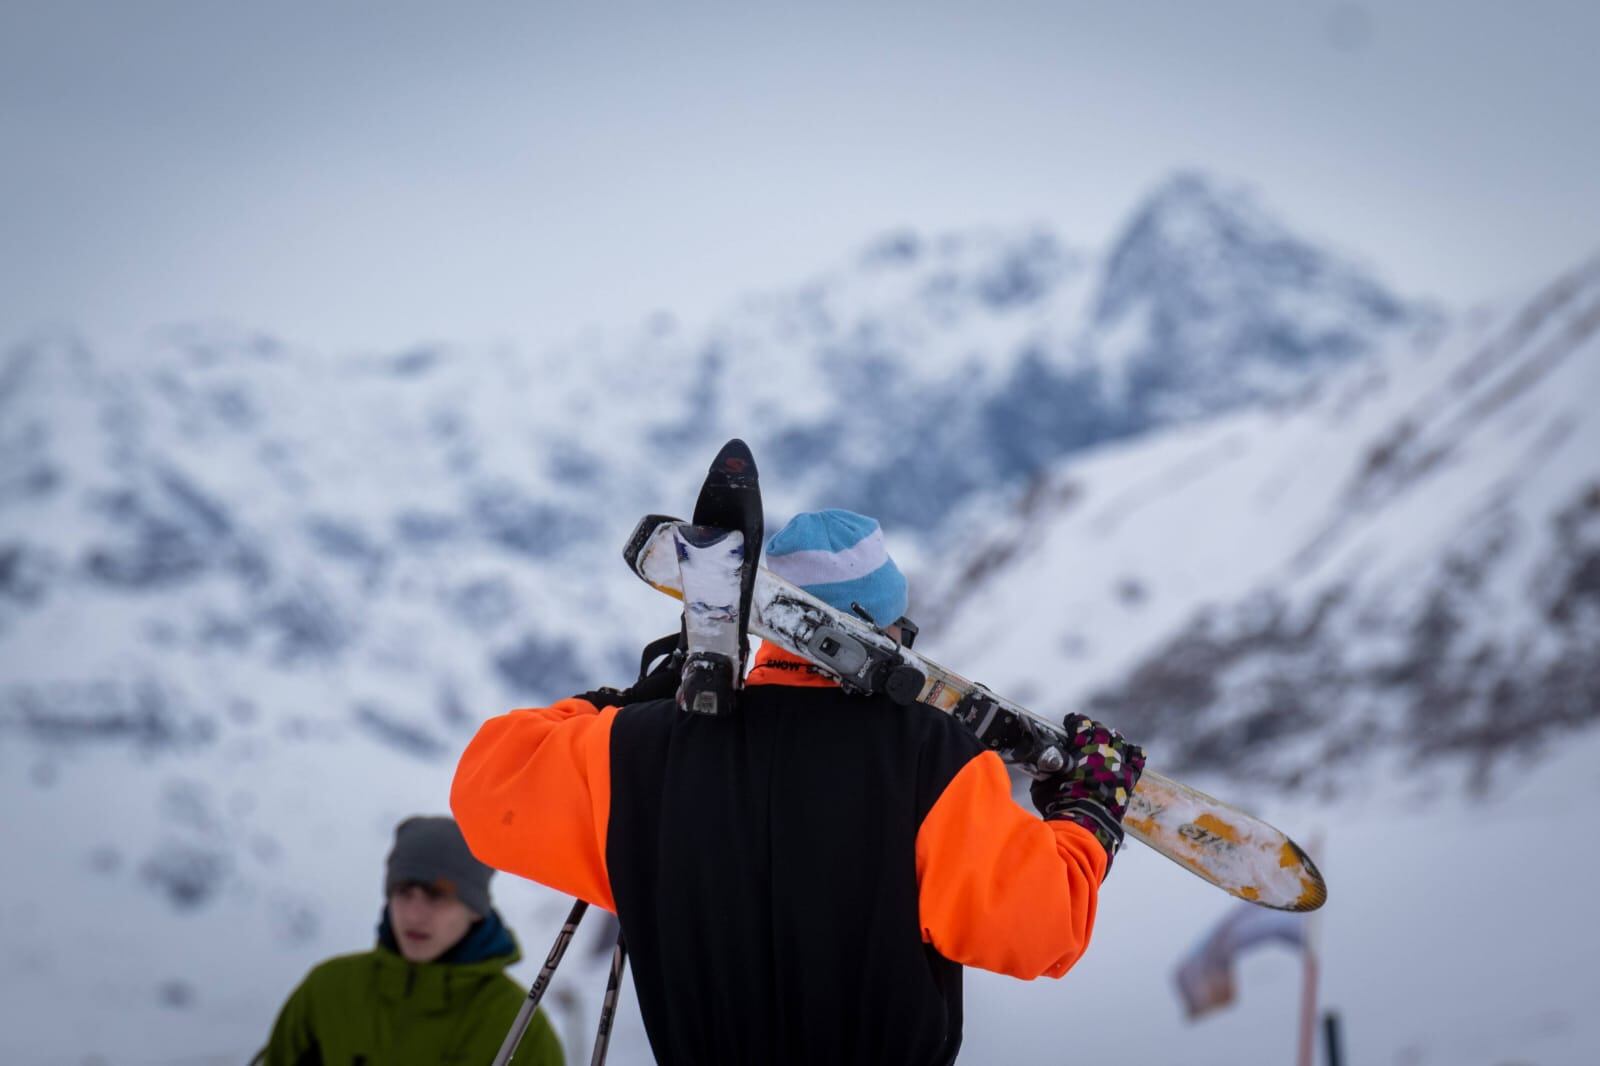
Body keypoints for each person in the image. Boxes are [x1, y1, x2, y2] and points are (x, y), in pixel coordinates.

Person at [451, 509, 1144, 1065]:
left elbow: (488, 788)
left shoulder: (638, 751)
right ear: (889, 632)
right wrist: (1090, 813)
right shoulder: (928, 760)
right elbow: (1038, 930)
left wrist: (616, 704)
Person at [254, 815, 564, 1066]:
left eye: (437, 896)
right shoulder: (327, 992)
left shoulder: (517, 1025)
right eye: (404, 893)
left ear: (476, 910)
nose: (415, 915)